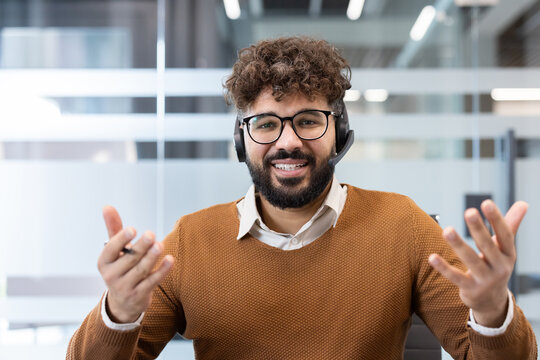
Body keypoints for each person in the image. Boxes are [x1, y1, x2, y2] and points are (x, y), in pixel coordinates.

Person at [67, 37, 537, 359]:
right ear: (241, 140)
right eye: (267, 123)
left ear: (340, 133)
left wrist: (493, 312)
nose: (287, 142)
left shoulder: (404, 225)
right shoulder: (192, 241)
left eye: (309, 120)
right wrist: (119, 315)